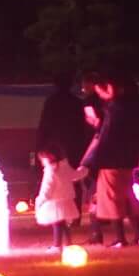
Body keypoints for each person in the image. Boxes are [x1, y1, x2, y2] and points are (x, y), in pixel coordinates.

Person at [80, 73, 139, 247]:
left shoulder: (115, 109)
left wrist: (91, 159)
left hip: (111, 159)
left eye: (104, 89)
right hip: (129, 158)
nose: (100, 93)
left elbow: (106, 136)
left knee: (111, 198)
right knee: (128, 195)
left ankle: (120, 237)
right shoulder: (136, 105)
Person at [39, 73, 91, 218]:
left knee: (54, 179)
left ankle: (59, 215)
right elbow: (83, 127)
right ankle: (74, 215)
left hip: (55, 148)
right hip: (75, 146)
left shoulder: (51, 102)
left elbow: (44, 126)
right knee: (74, 179)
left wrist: (41, 146)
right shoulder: (77, 102)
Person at [33, 114, 80, 251]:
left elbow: (47, 187)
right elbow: (75, 175)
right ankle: (68, 244)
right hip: (65, 200)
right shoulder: (64, 167)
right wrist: (84, 169)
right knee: (63, 223)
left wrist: (40, 200)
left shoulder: (50, 171)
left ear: (48, 158)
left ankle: (57, 245)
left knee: (57, 224)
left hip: (54, 201)